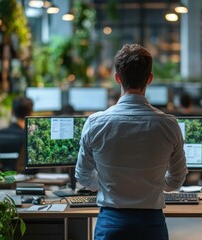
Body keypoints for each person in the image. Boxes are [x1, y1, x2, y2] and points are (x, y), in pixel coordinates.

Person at [75, 44, 188, 240]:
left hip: (110, 223)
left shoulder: (95, 123)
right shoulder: (168, 125)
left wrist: (108, 185)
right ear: (150, 78)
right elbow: (177, 180)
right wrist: (151, 186)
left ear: (117, 77)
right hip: (152, 225)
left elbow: (82, 176)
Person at [0, 96, 33, 172]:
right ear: (31, 113)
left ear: (12, 112)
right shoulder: (30, 137)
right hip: (25, 180)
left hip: (1, 179)